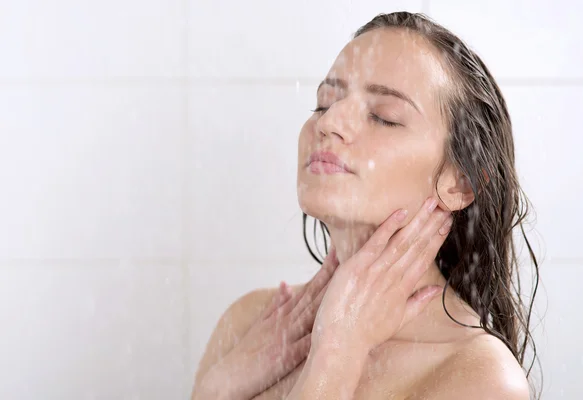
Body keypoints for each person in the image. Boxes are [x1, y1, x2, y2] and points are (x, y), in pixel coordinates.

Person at [192, 11, 540, 400]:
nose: (329, 123)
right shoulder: (252, 324)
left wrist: (338, 355)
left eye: (383, 117)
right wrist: (217, 390)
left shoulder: (479, 377)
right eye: (324, 104)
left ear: (460, 182)